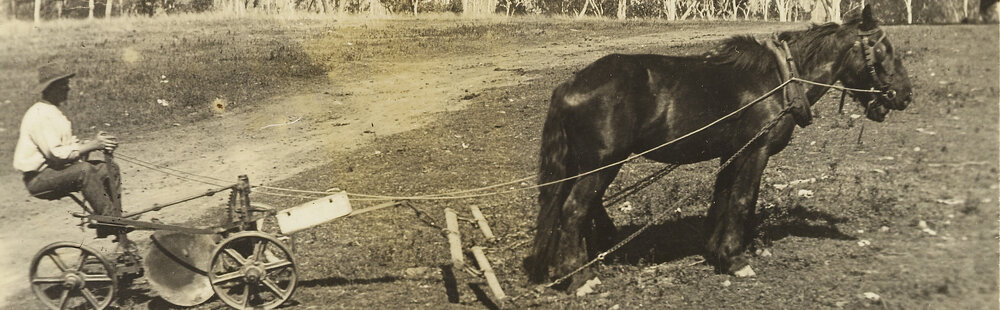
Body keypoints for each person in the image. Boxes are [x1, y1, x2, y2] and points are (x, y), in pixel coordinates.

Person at [13, 64, 124, 239]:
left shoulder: (54, 112)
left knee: (108, 169)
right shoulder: (40, 115)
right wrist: (94, 145)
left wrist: (94, 142)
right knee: (84, 171)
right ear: (51, 88)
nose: (68, 88)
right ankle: (110, 220)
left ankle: (112, 219)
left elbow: (69, 147)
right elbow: (57, 154)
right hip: (39, 178)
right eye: (64, 85)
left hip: (54, 171)